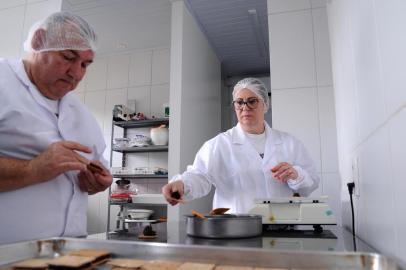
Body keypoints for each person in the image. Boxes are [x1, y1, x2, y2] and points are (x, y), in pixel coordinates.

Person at [0, 12, 112, 244]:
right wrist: (32, 169)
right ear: (39, 41)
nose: (77, 73)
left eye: (85, 64)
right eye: (69, 57)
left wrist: (95, 183)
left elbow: (93, 172)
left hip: (71, 252)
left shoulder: (80, 114)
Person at [162, 78, 319, 213]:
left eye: (252, 101)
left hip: (281, 227)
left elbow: (310, 184)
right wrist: (182, 184)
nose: (245, 107)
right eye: (239, 102)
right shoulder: (219, 145)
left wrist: (296, 175)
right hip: (235, 229)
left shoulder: (289, 143)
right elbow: (199, 176)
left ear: (265, 105)